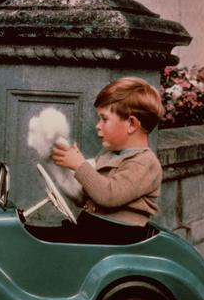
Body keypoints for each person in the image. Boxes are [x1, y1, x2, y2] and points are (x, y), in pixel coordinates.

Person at [30, 77, 164, 245]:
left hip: (117, 237)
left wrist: (80, 165)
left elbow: (108, 195)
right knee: (32, 234)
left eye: (104, 119)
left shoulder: (145, 163)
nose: (98, 126)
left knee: (43, 246)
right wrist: (63, 167)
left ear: (131, 123)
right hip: (94, 231)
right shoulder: (109, 154)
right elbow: (82, 198)